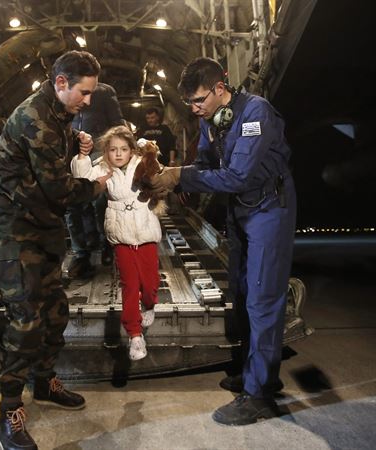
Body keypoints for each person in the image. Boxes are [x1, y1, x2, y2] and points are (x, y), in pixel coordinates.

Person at [144, 57, 297, 426]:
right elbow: (207, 162)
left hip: (268, 209)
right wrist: (181, 182)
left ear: (219, 88)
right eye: (191, 104)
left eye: (199, 101)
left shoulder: (255, 114)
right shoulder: (210, 119)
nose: (195, 109)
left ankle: (260, 393)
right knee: (243, 291)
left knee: (262, 298)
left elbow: (238, 176)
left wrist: (180, 177)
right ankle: (252, 372)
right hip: (242, 210)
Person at [0, 50, 111, 450]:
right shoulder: (34, 119)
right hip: (16, 228)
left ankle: (44, 383)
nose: (87, 102)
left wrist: (78, 139)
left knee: (55, 311)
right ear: (60, 83)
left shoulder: (57, 114)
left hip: (42, 224)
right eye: (84, 93)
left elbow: (54, 152)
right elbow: (59, 189)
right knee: (24, 319)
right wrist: (99, 184)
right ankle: (10, 411)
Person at [72, 126, 162, 360]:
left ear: (131, 150)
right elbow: (82, 178)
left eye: (123, 149)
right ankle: (134, 335)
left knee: (150, 285)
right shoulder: (103, 167)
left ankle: (150, 305)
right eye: (113, 150)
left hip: (145, 232)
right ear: (106, 151)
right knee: (130, 285)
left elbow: (157, 173)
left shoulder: (139, 163)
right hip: (121, 234)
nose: (118, 154)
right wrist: (83, 155)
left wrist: (149, 151)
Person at [66, 82, 125, 276]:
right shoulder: (67, 91)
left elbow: (117, 123)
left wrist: (121, 149)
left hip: (99, 151)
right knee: (72, 202)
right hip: (72, 151)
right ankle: (81, 252)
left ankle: (106, 243)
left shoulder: (105, 92)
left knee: (100, 202)